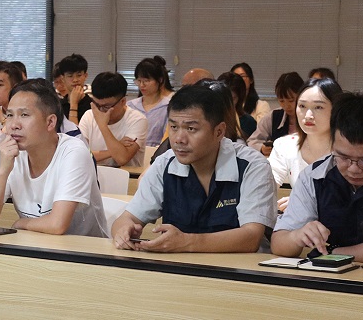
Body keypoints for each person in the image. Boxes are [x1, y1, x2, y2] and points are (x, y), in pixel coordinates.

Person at [112, 85, 277, 253]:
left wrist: (187, 242)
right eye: (174, 127)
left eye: (191, 129)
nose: (179, 139)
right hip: (180, 266)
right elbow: (126, 218)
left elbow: (251, 237)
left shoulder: (251, 166)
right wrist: (123, 230)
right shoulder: (164, 164)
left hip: (239, 267)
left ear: (219, 132)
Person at [271, 92, 363, 266]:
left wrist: (330, 252)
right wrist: (297, 236)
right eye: (343, 157)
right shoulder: (315, 176)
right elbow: (279, 244)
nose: (353, 169)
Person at [0, 79, 108, 237]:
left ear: (50, 122)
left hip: (83, 248)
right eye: (9, 115)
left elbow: (57, 225)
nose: (13, 125)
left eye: (24, 115)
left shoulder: (73, 151)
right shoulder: (8, 151)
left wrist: (21, 223)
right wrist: (3, 170)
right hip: (35, 245)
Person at [268, 78, 342, 211]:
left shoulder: (350, 150)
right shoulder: (285, 145)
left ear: (336, 110)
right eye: (302, 106)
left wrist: (303, 201)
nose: (308, 115)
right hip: (301, 221)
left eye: (318, 107)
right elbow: (266, 185)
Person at [79, 72, 147, 167]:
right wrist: (115, 148)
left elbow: (122, 158)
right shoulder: (88, 116)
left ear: (123, 101)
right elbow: (80, 155)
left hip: (128, 174)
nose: (101, 111)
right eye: (96, 104)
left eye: (106, 107)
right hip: (95, 173)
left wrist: (103, 126)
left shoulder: (138, 120)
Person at [248, 72, 305, 155]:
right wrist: (261, 148)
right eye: (281, 101)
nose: (286, 106)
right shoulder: (274, 116)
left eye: (291, 100)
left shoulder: (309, 116)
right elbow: (252, 141)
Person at [127, 56, 174, 148]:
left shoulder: (168, 106)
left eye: (146, 81)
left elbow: (167, 139)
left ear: (160, 80)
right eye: (139, 81)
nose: (142, 85)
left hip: (157, 152)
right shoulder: (130, 105)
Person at [53, 54, 92, 127]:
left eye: (79, 75)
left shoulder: (92, 105)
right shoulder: (58, 107)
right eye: (70, 76)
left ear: (85, 76)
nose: (75, 80)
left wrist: (74, 104)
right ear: (62, 78)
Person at [217, 71, 257, 139]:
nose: (227, 102)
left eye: (232, 99)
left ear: (240, 98)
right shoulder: (210, 118)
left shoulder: (248, 122)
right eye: (224, 98)